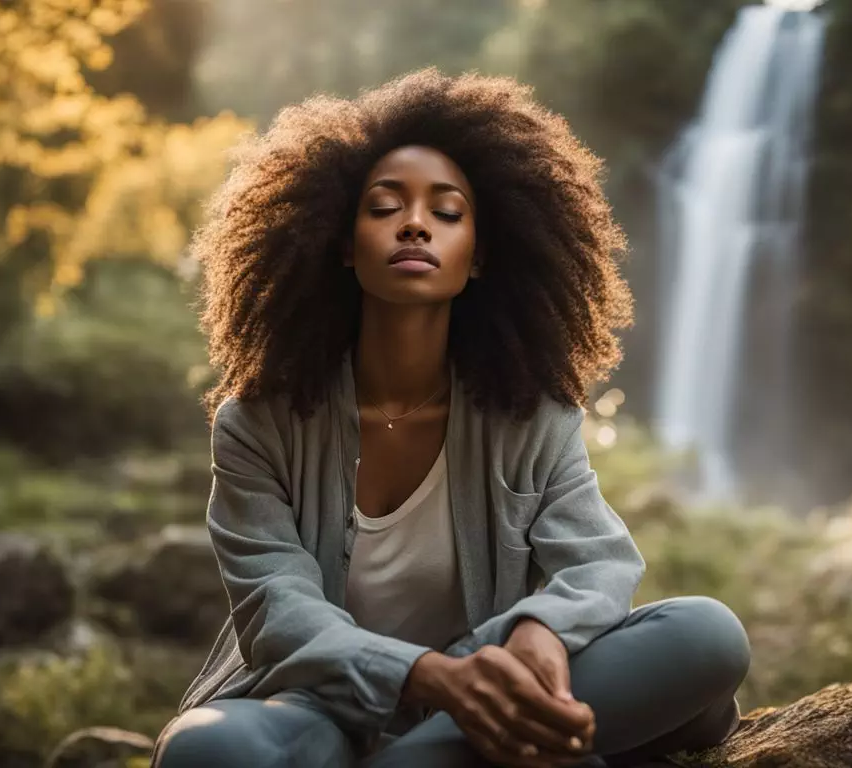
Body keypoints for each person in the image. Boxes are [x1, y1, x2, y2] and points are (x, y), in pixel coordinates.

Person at [154, 69, 750, 768]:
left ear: (479, 256)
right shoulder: (257, 424)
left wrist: (539, 632)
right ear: (343, 245)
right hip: (318, 706)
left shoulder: (532, 416)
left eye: (447, 212)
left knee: (708, 634)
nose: (414, 223)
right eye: (384, 207)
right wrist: (431, 678)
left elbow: (597, 564)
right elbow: (276, 613)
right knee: (207, 752)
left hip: (488, 689)